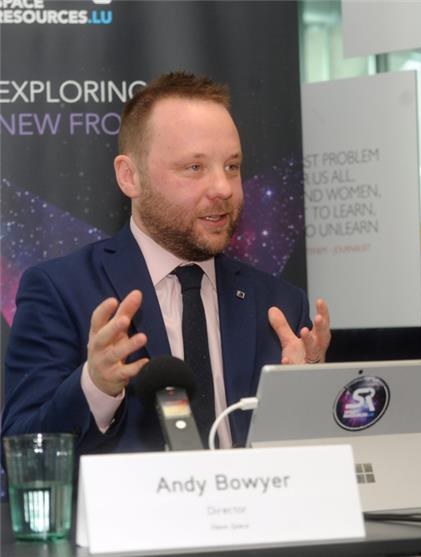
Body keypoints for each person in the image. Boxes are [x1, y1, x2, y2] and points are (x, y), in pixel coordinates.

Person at [2, 72, 331, 454]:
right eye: (194, 168)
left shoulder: (280, 305)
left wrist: (307, 398)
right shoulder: (62, 290)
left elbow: (315, 465)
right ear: (130, 177)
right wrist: (95, 386)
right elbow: (22, 450)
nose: (223, 188)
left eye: (232, 166)